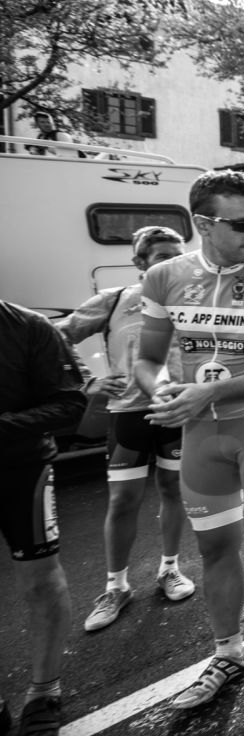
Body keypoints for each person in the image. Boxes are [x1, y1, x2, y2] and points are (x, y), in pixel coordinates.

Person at [136, 169, 244, 712]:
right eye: (243, 225)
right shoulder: (163, 277)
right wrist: (164, 392)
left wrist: (206, 393)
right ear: (203, 224)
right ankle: (228, 653)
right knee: (213, 547)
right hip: (200, 431)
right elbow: (148, 359)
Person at [57, 226, 196, 634]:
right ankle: (115, 587)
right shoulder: (116, 299)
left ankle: (169, 569)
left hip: (176, 412)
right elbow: (58, 336)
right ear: (139, 262)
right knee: (122, 502)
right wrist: (87, 382)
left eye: (178, 255)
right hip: (128, 413)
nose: (172, 263)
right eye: (162, 256)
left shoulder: (193, 299)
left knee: (173, 492)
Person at [0, 300, 86, 735]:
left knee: (39, 580)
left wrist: (4, 426)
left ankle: (43, 692)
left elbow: (70, 404)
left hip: (22, 470)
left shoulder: (29, 326)